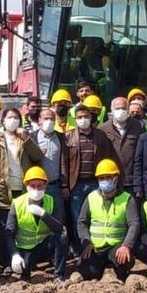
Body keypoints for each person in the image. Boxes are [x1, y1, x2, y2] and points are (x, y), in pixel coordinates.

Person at [63, 102, 118, 255]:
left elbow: (108, 157)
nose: (83, 119)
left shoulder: (100, 135)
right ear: (75, 119)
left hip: (96, 183)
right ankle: (80, 249)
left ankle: (96, 248)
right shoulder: (68, 136)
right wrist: (65, 185)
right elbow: (64, 162)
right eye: (80, 117)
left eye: (86, 116)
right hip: (76, 184)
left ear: (91, 117)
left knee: (96, 216)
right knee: (77, 219)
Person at [0, 107, 43, 245]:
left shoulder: (25, 138)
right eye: (9, 117)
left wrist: (26, 138)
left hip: (22, 188)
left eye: (16, 118)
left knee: (21, 224)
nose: (13, 121)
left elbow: (37, 156)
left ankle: (21, 255)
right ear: (3, 120)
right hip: (3, 190)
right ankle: (6, 261)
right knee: (5, 227)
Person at [77, 159, 139, 281]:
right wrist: (87, 242)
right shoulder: (91, 197)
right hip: (96, 246)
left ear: (116, 177)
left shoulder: (127, 199)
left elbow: (134, 224)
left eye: (108, 177)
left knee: (123, 264)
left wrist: (126, 245)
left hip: (117, 246)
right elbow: (81, 222)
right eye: (102, 178)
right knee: (88, 273)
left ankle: (119, 270)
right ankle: (100, 270)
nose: (105, 181)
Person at [3, 166, 69, 281]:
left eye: (39, 186)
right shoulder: (17, 203)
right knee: (24, 272)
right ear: (26, 186)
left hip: (43, 247)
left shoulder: (51, 201)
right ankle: (25, 270)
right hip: (24, 249)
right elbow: (9, 233)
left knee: (62, 238)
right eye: (32, 186)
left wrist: (43, 214)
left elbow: (59, 228)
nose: (36, 190)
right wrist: (14, 254)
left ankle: (58, 276)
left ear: (45, 185)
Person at [34, 106, 69, 226]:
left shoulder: (61, 137)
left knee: (57, 219)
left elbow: (64, 162)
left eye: (52, 119)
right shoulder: (32, 138)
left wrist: (65, 185)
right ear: (39, 120)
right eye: (46, 118)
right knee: (39, 219)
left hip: (56, 186)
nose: (49, 122)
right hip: (37, 187)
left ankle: (57, 244)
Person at [101, 96, 140, 194]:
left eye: (123, 108)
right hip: (112, 180)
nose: (121, 111)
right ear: (112, 110)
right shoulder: (103, 129)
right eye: (117, 108)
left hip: (131, 181)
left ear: (128, 110)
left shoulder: (138, 126)